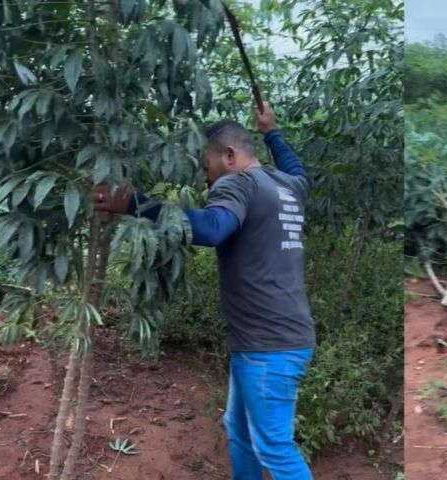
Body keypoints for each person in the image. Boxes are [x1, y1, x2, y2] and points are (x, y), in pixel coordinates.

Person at [92, 102, 316, 480]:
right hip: (275, 341)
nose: (203, 178)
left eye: (205, 166)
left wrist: (133, 203)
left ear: (229, 156)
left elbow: (212, 229)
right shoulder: (288, 185)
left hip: (268, 347)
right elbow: (300, 170)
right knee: (239, 430)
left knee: (276, 450)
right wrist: (272, 132)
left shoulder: (238, 183)